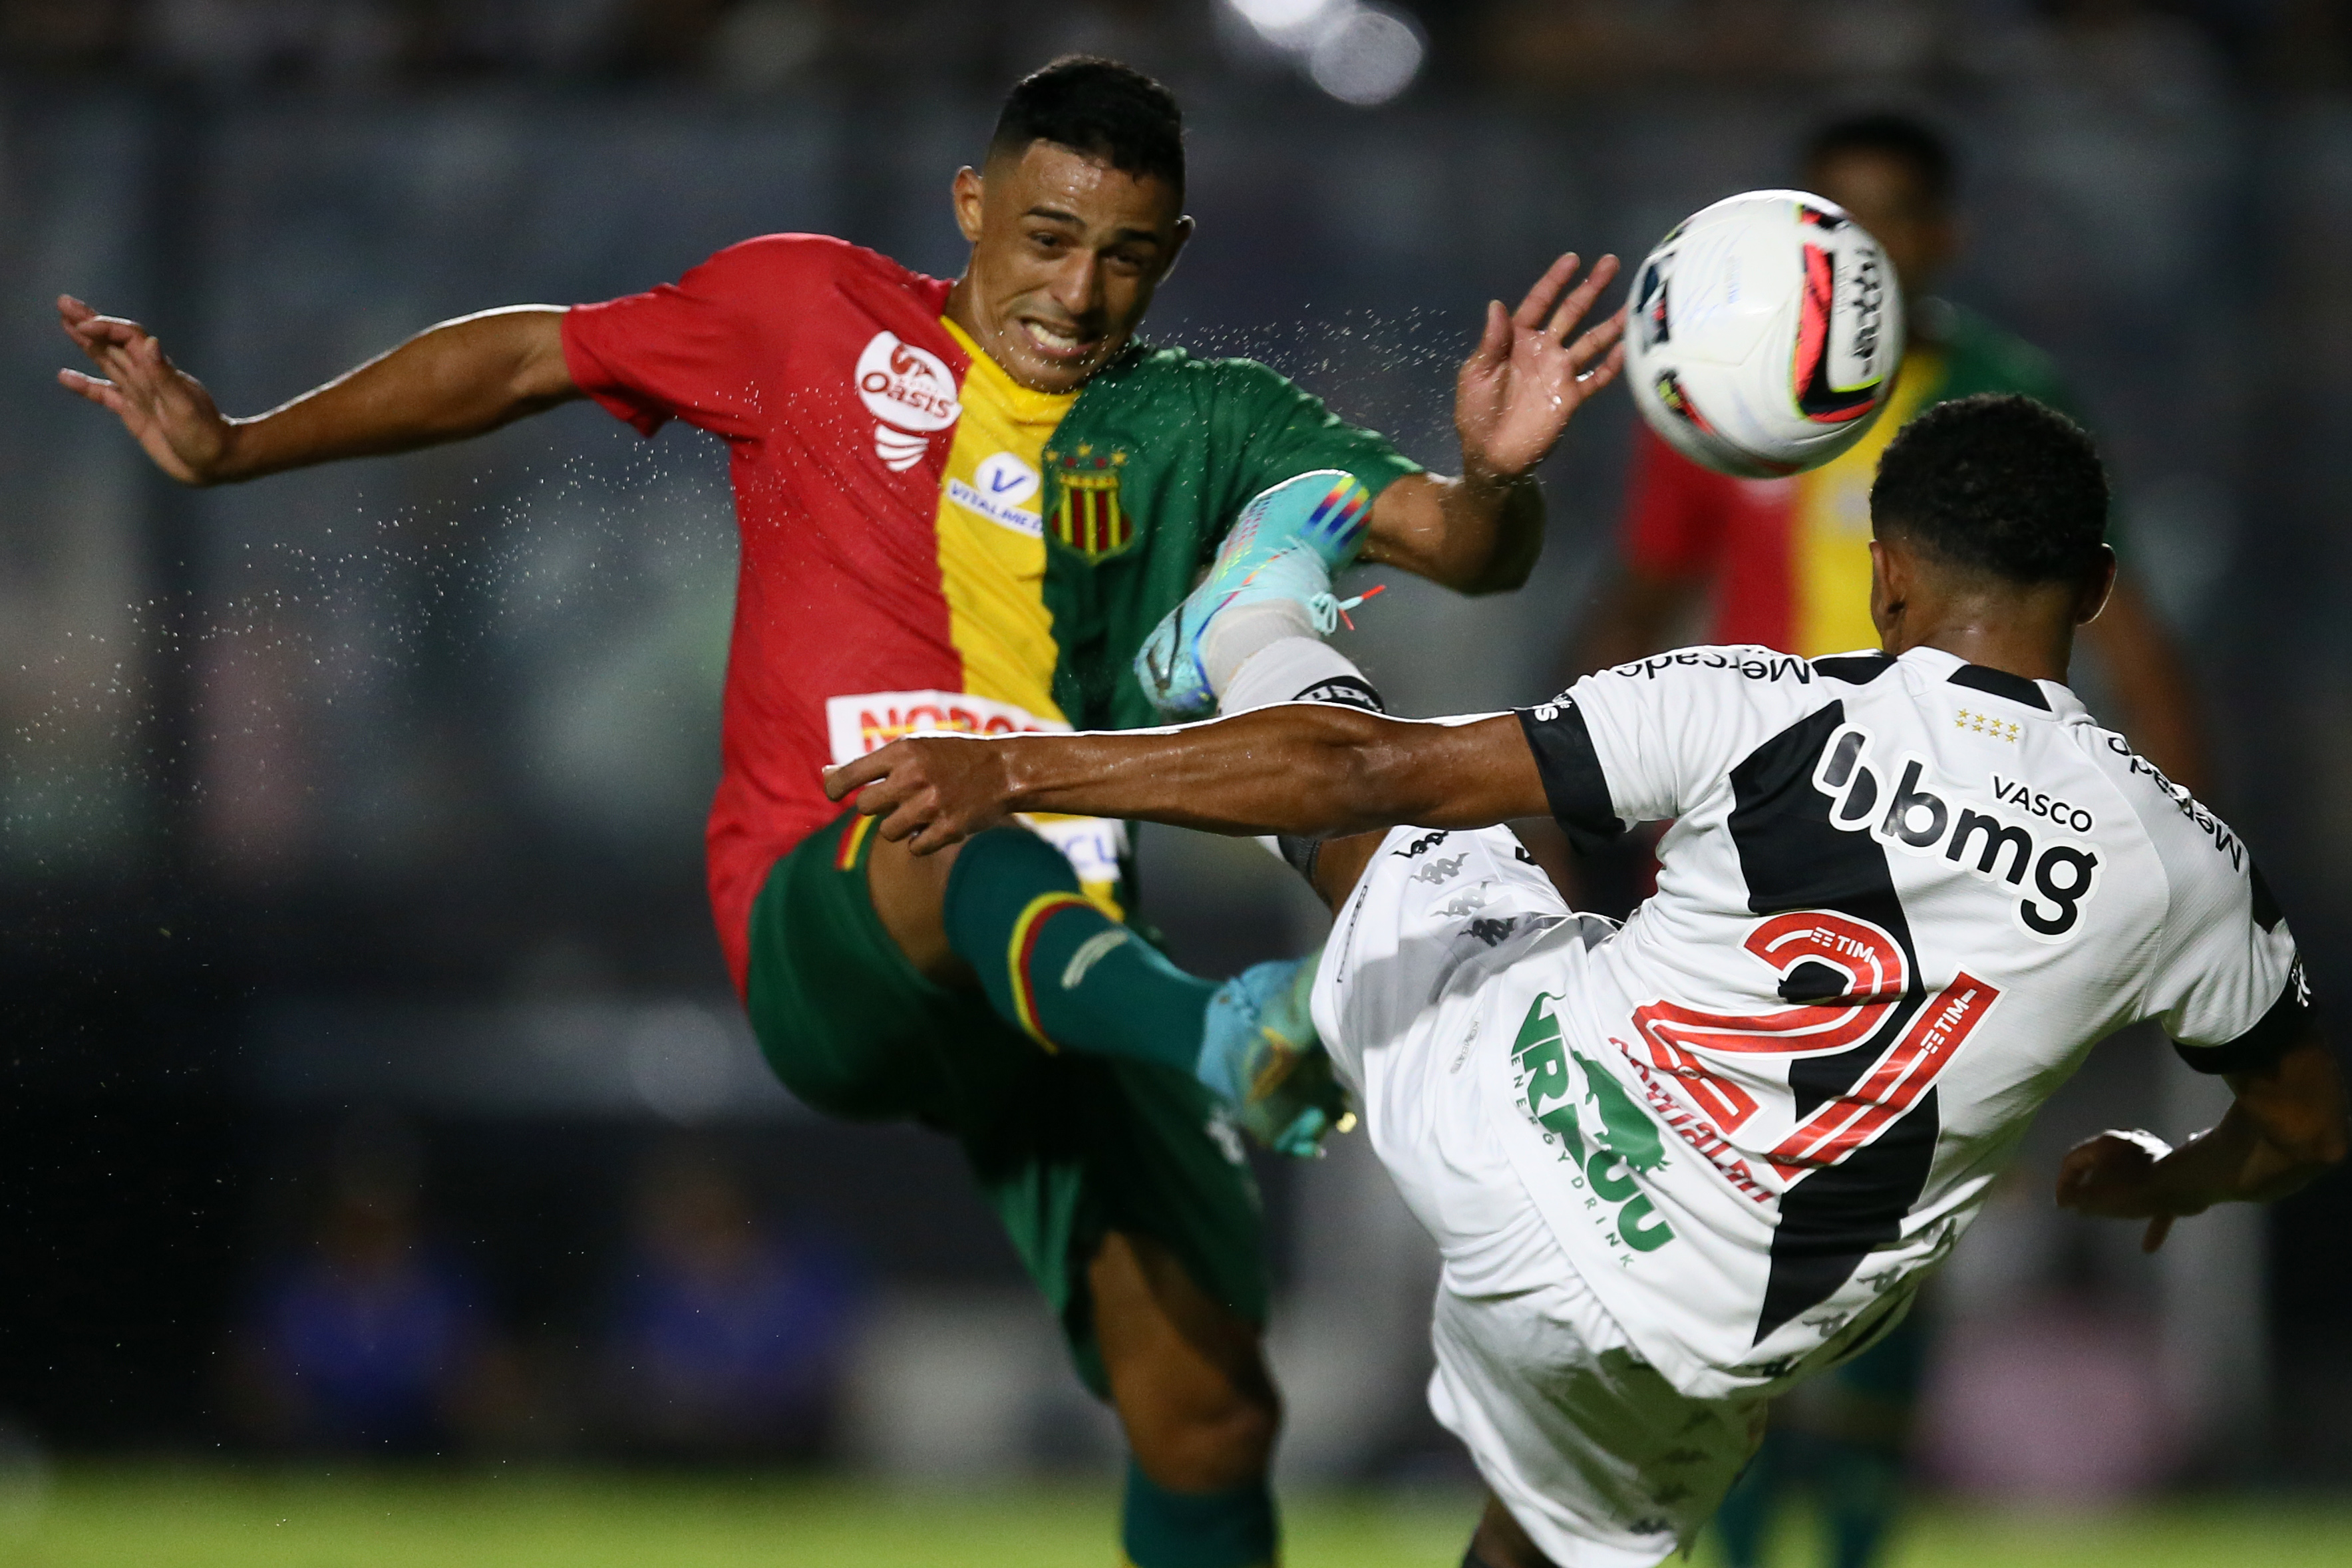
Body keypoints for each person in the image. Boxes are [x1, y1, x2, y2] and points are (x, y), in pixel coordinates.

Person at [57, 57, 1625, 1568]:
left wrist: (1497, 478)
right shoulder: (803, 313)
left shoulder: (1208, 424)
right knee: (953, 834)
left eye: (1126, 259)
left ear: (1175, 259)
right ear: (969, 205)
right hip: (838, 913)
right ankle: (1226, 1035)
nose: (1078, 293)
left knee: (1206, 1405)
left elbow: (1460, 544)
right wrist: (245, 444)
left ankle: (1199, 1050)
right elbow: (538, 348)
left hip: (1071, 972)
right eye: (1050, 237)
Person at [826, 392, 2345, 1568]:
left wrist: (1016, 761)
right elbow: (2309, 1124)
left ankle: (1250, 607)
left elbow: (1373, 769)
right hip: (1720, 1339)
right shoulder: (2188, 865)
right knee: (1546, 1540)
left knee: (1396, 813)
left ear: (1881, 572)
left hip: (1514, 1131)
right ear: (2094, 584)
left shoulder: (1755, 702)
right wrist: (2180, 1173)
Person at [1582, 112, 2206, 796]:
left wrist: (2188, 867)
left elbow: (2128, 643)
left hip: (1946, 833)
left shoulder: (2005, 397)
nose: (1858, 254)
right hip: (1738, 815)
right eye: (1834, 223)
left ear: (1945, 237)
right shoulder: (1715, 395)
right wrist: (1562, 820)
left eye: (1887, 219)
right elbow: (1638, 605)